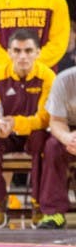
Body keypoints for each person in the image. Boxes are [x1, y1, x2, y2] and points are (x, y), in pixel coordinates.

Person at [0, 29, 53, 228]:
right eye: (17, 51)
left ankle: (38, 204)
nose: (22, 56)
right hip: (7, 135)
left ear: (38, 52)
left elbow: (44, 119)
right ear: (9, 53)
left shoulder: (48, 77)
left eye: (28, 51)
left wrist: (15, 124)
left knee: (41, 138)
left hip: (33, 135)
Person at [38, 65, 76, 229]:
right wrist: (67, 138)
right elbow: (57, 121)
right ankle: (54, 213)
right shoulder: (64, 80)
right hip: (69, 129)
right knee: (52, 146)